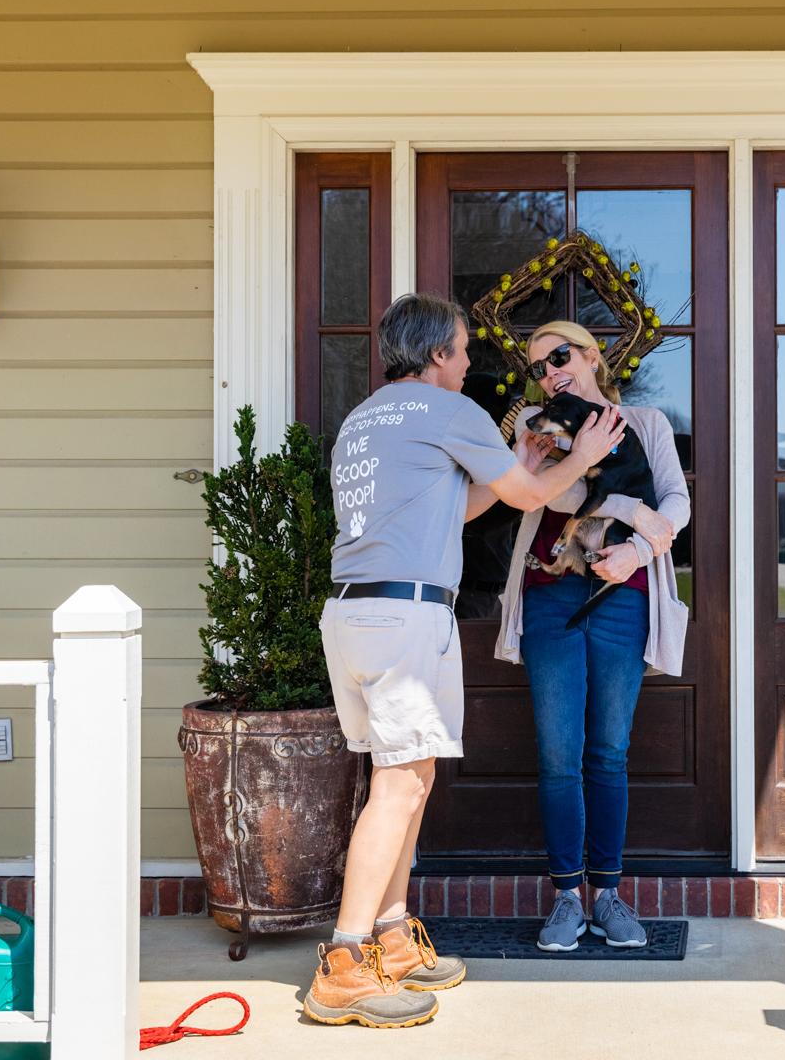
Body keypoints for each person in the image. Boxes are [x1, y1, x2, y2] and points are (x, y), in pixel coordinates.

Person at [305, 294, 626, 1028]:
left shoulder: (368, 417)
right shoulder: (448, 412)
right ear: (437, 355)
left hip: (354, 612)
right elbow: (532, 496)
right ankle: (346, 961)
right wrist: (583, 455)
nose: (470, 360)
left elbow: (460, 506)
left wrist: (517, 460)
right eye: (462, 348)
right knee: (399, 786)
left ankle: (392, 934)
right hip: (405, 616)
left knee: (404, 778)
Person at [494, 320, 691, 952]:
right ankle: (564, 899)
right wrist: (635, 512)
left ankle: (606, 894)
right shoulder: (538, 423)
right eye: (540, 367)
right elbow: (547, 498)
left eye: (560, 357)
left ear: (591, 357)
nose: (550, 374)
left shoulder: (648, 423)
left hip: (621, 598)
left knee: (608, 751)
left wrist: (636, 552)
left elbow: (677, 504)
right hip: (551, 596)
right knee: (558, 753)